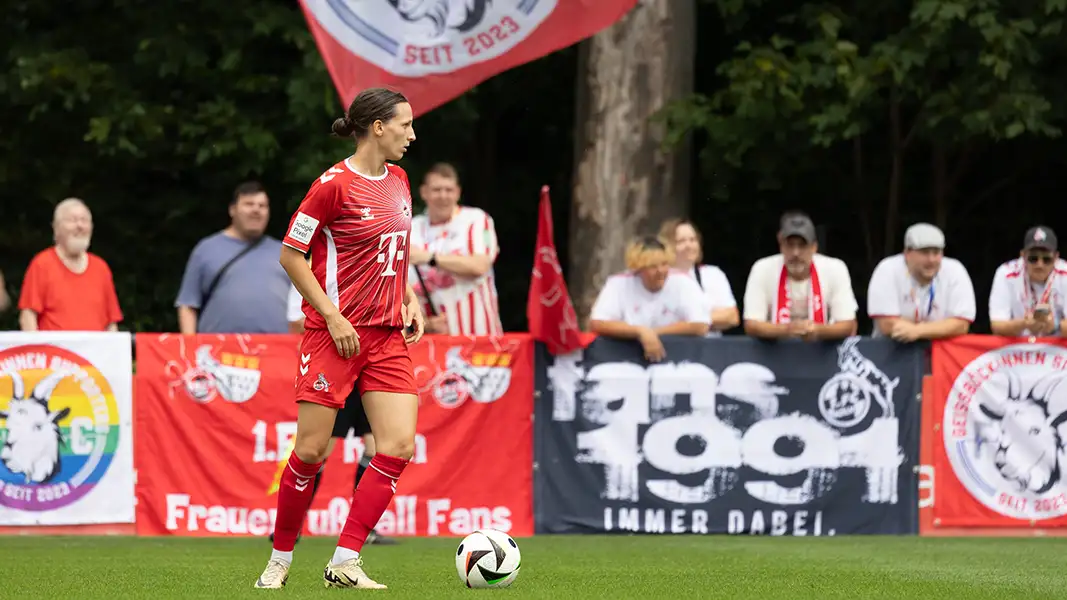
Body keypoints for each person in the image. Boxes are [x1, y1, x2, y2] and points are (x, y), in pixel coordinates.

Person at [254, 87, 424, 590]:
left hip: (387, 334)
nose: (412, 135)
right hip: (337, 337)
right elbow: (291, 255)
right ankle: (280, 558)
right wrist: (331, 316)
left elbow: (396, 249)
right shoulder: (331, 186)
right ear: (377, 127)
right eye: (405, 124)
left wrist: (409, 296)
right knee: (310, 451)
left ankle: (345, 559)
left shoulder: (400, 180)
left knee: (398, 444)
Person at [269, 281, 397, 546]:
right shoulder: (314, 270)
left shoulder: (371, 267)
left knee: (378, 446)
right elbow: (296, 322)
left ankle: (364, 530)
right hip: (334, 363)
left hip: (372, 363)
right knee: (317, 449)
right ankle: (293, 526)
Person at [175, 181, 290, 334]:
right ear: (232, 210)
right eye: (249, 204)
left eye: (262, 206)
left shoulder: (286, 253)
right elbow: (188, 305)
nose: (256, 210)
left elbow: (304, 308)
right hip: (219, 351)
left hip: (277, 351)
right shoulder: (206, 250)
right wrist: (189, 348)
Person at [407, 163, 502, 335]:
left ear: (457, 192)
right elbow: (401, 289)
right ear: (424, 192)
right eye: (436, 190)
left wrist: (429, 258)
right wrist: (426, 324)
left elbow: (480, 266)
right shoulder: (411, 228)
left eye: (449, 190)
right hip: (432, 343)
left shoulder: (476, 220)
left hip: (480, 338)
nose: (443, 196)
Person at [589, 236, 710, 362]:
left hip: (679, 359)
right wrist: (639, 331)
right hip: (626, 358)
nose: (660, 271)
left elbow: (700, 324)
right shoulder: (618, 283)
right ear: (638, 268)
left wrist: (652, 333)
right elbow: (598, 323)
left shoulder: (683, 281)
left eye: (664, 264)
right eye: (652, 266)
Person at [742, 211, 858, 341]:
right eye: (790, 245)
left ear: (814, 247)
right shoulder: (762, 269)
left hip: (822, 353)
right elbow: (751, 324)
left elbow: (848, 324)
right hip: (772, 353)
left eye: (802, 245)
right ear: (781, 245)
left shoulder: (835, 269)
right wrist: (787, 330)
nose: (795, 253)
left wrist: (817, 330)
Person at [19, 198, 123, 331]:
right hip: (55, 350)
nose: (79, 226)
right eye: (72, 220)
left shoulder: (101, 268)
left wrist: (112, 350)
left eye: (84, 220)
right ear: (56, 228)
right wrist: (35, 348)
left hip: (94, 351)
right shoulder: (42, 264)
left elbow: (111, 322)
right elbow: (28, 316)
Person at [867, 223, 975, 342]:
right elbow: (886, 324)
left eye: (936, 252)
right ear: (907, 253)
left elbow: (961, 325)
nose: (931, 260)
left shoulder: (955, 270)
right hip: (893, 349)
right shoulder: (887, 269)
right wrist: (940, 328)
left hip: (941, 352)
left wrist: (918, 331)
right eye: (924, 252)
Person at [659, 218, 739, 335]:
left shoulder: (713, 274)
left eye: (693, 240)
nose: (689, 245)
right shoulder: (659, 277)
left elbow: (732, 317)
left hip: (709, 349)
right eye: (681, 241)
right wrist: (708, 318)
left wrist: (692, 322)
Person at [989, 225, 1067, 337]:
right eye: (1033, 259)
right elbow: (997, 325)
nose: (1039, 265)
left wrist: (1055, 326)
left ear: (1056, 258)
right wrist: (1023, 324)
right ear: (1023, 256)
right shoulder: (1006, 274)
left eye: (1046, 259)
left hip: (1058, 350)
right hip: (1018, 349)